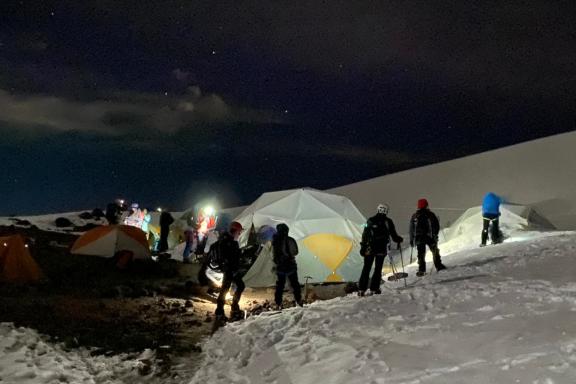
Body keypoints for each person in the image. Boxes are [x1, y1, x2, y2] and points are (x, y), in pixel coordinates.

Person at [358, 203, 403, 296]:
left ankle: (361, 289)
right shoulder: (388, 221)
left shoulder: (370, 220)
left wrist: (363, 247)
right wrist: (400, 240)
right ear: (386, 211)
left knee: (366, 268)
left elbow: (365, 235)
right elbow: (394, 236)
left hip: (369, 249)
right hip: (381, 249)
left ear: (378, 209)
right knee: (378, 269)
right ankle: (374, 289)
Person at [213, 221, 246, 321]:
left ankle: (232, 307)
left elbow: (234, 256)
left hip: (232, 269)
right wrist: (229, 268)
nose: (239, 234)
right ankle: (220, 311)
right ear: (234, 230)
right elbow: (226, 257)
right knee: (225, 289)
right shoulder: (227, 241)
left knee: (236, 286)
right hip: (230, 269)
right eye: (239, 232)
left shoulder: (229, 240)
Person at [409, 199, 446, 276]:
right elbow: (436, 226)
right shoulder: (430, 214)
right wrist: (435, 235)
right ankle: (439, 266)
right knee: (435, 251)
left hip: (419, 238)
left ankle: (421, 270)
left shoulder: (415, 216)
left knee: (421, 254)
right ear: (426, 205)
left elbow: (411, 229)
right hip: (430, 237)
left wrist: (412, 239)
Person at [272, 223, 303, 308]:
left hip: (280, 267)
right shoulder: (290, 240)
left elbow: (274, 255)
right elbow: (295, 252)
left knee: (280, 286)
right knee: (295, 284)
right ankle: (298, 300)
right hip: (290, 266)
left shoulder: (275, 241)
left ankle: (278, 303)